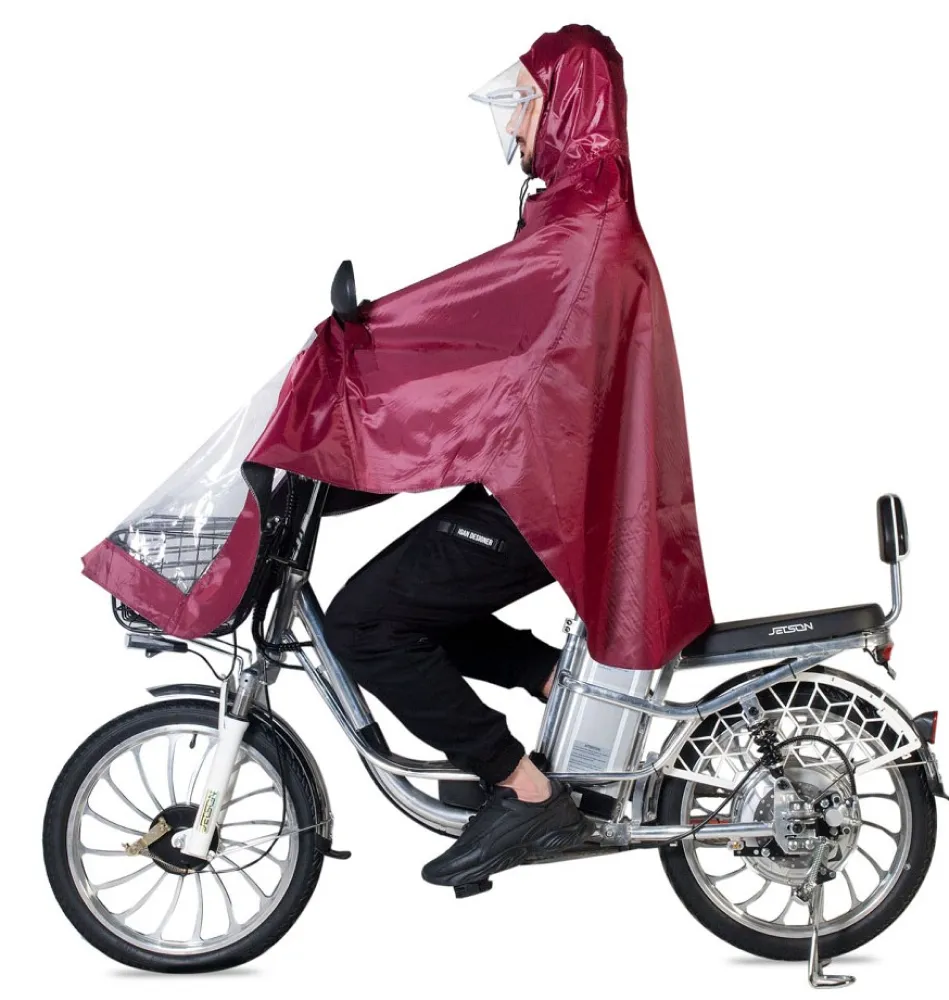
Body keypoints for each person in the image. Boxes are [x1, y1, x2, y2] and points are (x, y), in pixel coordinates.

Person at [322, 48, 594, 890]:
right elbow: (500, 336)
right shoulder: (573, 208)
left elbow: (479, 316)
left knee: (364, 625)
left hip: (542, 495)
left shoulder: (581, 216)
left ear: (568, 107)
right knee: (409, 609)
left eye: (525, 104)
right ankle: (553, 679)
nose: (511, 123)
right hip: (540, 479)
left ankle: (523, 791)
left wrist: (379, 336)